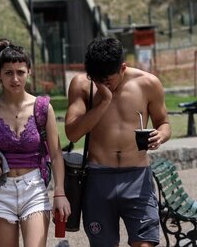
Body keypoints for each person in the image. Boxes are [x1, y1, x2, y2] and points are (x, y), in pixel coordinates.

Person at [65, 37, 172, 247]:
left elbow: (164, 123)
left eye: (107, 81)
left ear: (123, 68)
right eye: (96, 81)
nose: (102, 86)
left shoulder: (148, 83)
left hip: (137, 177)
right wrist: (103, 101)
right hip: (98, 178)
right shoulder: (82, 85)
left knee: (145, 244)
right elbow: (72, 133)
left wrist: (161, 135)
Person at [0, 40, 70, 247]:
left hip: (33, 188)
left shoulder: (43, 108)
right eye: (8, 73)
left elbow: (57, 154)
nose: (15, 79)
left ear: (29, 72)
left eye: (20, 72)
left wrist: (60, 192)